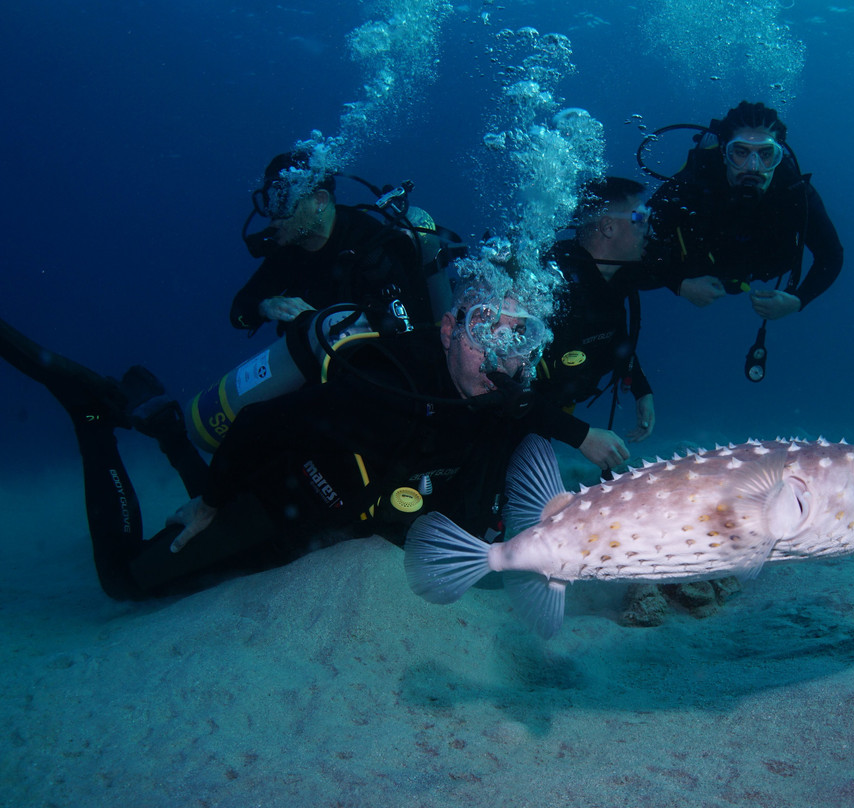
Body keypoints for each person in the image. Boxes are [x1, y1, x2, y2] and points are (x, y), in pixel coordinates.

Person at [0, 280, 550, 601]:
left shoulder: (501, 410)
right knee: (126, 584)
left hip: (329, 533)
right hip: (278, 503)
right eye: (485, 334)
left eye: (520, 340)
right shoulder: (385, 385)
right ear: (451, 329)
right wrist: (211, 505)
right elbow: (258, 425)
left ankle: (168, 428)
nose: (503, 361)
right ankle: (91, 417)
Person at [647, 101, 843, 323]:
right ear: (723, 152)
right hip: (694, 266)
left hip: (756, 267)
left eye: (766, 154)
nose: (753, 166)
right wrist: (679, 284)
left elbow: (831, 254)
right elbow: (639, 230)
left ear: (779, 157)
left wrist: (798, 301)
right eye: (740, 152)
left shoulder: (796, 193)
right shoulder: (691, 183)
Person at [232, 148, 445, 336]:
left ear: (320, 201)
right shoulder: (288, 251)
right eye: (271, 201)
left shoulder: (370, 246)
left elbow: (412, 331)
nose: (273, 216)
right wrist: (266, 306)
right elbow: (239, 312)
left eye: (284, 202)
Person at [531, 177, 657, 470]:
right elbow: (498, 389)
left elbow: (615, 341)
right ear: (608, 226)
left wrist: (642, 389)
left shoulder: (613, 282)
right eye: (639, 218)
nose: (650, 231)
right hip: (489, 425)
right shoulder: (549, 288)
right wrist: (581, 436)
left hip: (543, 419)